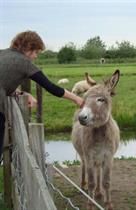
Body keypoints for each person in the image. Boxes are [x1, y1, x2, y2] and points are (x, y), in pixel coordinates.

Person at [0, 30, 84, 160]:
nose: (36, 57)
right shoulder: (24, 63)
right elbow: (52, 88)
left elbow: (3, 81)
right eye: (36, 53)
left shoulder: (3, 54)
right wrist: (77, 99)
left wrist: (23, 93)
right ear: (29, 48)